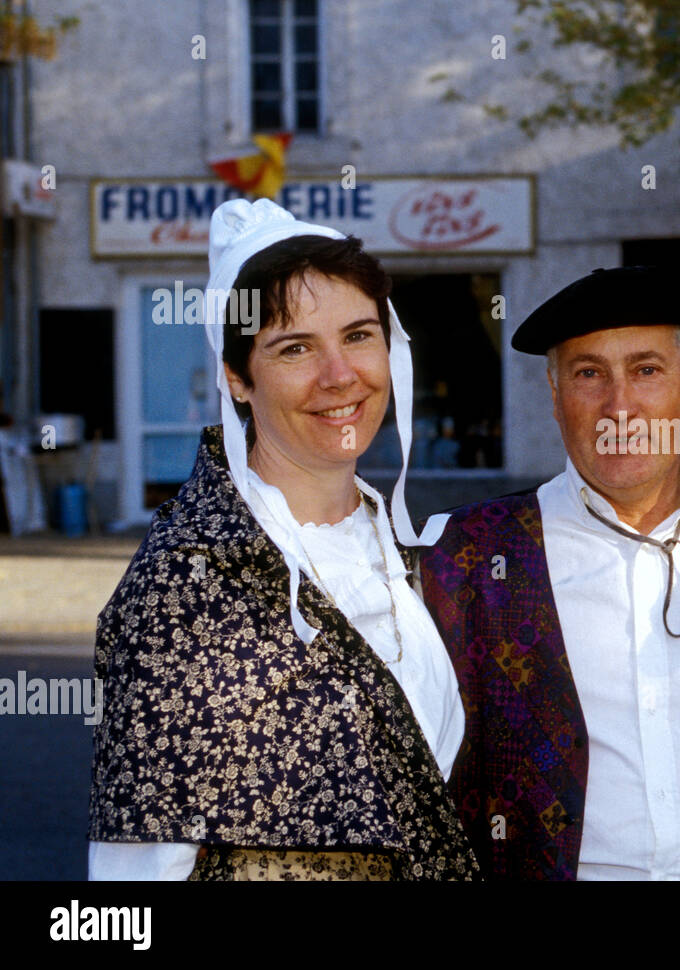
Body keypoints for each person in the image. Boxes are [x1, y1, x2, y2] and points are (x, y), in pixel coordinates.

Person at [88, 199, 477, 880]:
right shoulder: (188, 583)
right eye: (294, 348)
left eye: (358, 335)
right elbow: (137, 872)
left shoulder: (408, 553)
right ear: (237, 377)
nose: (339, 376)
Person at [419, 267, 680, 879]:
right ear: (554, 397)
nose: (620, 406)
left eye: (646, 370)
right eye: (589, 375)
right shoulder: (467, 556)